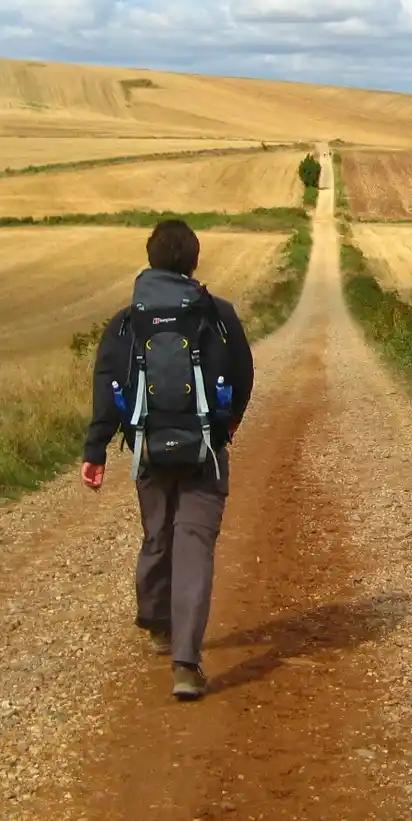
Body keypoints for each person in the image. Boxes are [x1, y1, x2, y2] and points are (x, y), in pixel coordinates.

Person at [80, 219, 254, 700]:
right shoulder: (216, 313)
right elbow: (243, 372)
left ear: (151, 260)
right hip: (206, 450)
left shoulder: (125, 322)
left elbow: (107, 385)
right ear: (193, 261)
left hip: (149, 451)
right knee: (194, 544)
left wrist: (96, 450)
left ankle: (158, 625)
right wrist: (229, 423)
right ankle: (186, 662)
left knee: (158, 533)